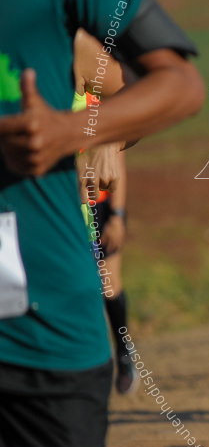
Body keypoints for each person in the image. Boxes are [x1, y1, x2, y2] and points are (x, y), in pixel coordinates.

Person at [0, 0, 203, 447]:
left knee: (110, 268)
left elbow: (158, 86)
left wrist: (86, 130)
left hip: (40, 325)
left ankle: (123, 353)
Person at [72, 29, 140, 395]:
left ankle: (124, 352)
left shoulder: (96, 95)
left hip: (98, 206)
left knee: (108, 285)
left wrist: (118, 215)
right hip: (46, 212)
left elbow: (119, 161)